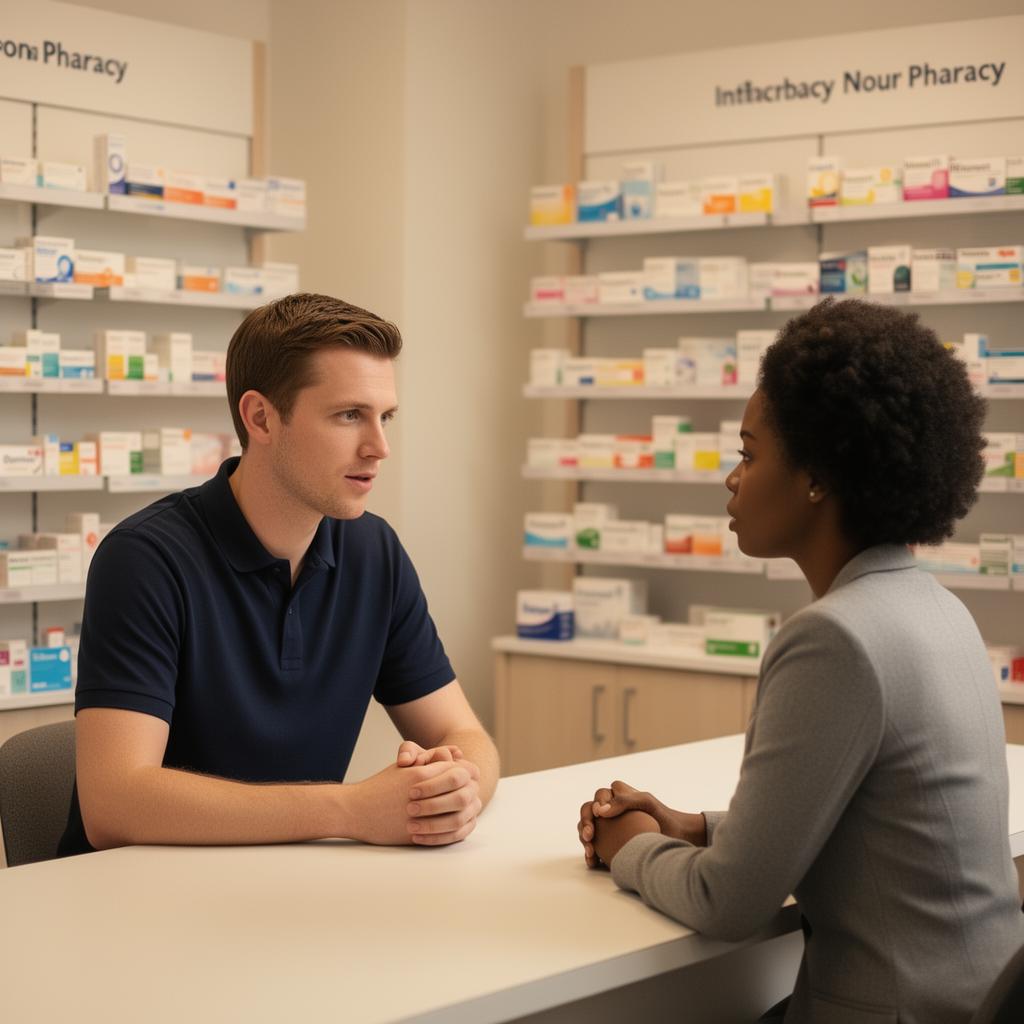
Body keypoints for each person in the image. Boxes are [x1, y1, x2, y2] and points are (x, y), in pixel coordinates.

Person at [575, 298, 1024, 1023]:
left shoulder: (835, 638)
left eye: (750, 454)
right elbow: (876, 825)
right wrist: (695, 826)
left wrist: (631, 845)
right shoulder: (939, 609)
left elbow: (728, 902)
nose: (732, 477)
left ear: (815, 478)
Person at [58, 293, 498, 857]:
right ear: (261, 417)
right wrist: (353, 809)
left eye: (384, 417)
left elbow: (465, 737)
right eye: (348, 416)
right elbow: (115, 805)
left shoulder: (373, 550)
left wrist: (454, 790)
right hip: (133, 905)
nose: (380, 447)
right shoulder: (146, 558)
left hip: (289, 891)